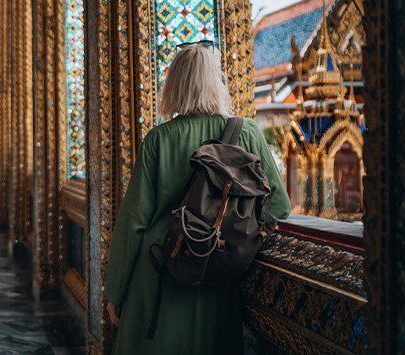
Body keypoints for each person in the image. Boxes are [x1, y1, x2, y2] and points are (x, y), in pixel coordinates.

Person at [104, 42, 291, 354]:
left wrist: (115, 291)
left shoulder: (158, 139)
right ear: (217, 84)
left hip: (161, 271)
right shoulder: (246, 133)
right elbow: (279, 206)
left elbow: (133, 223)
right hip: (220, 271)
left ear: (175, 85)